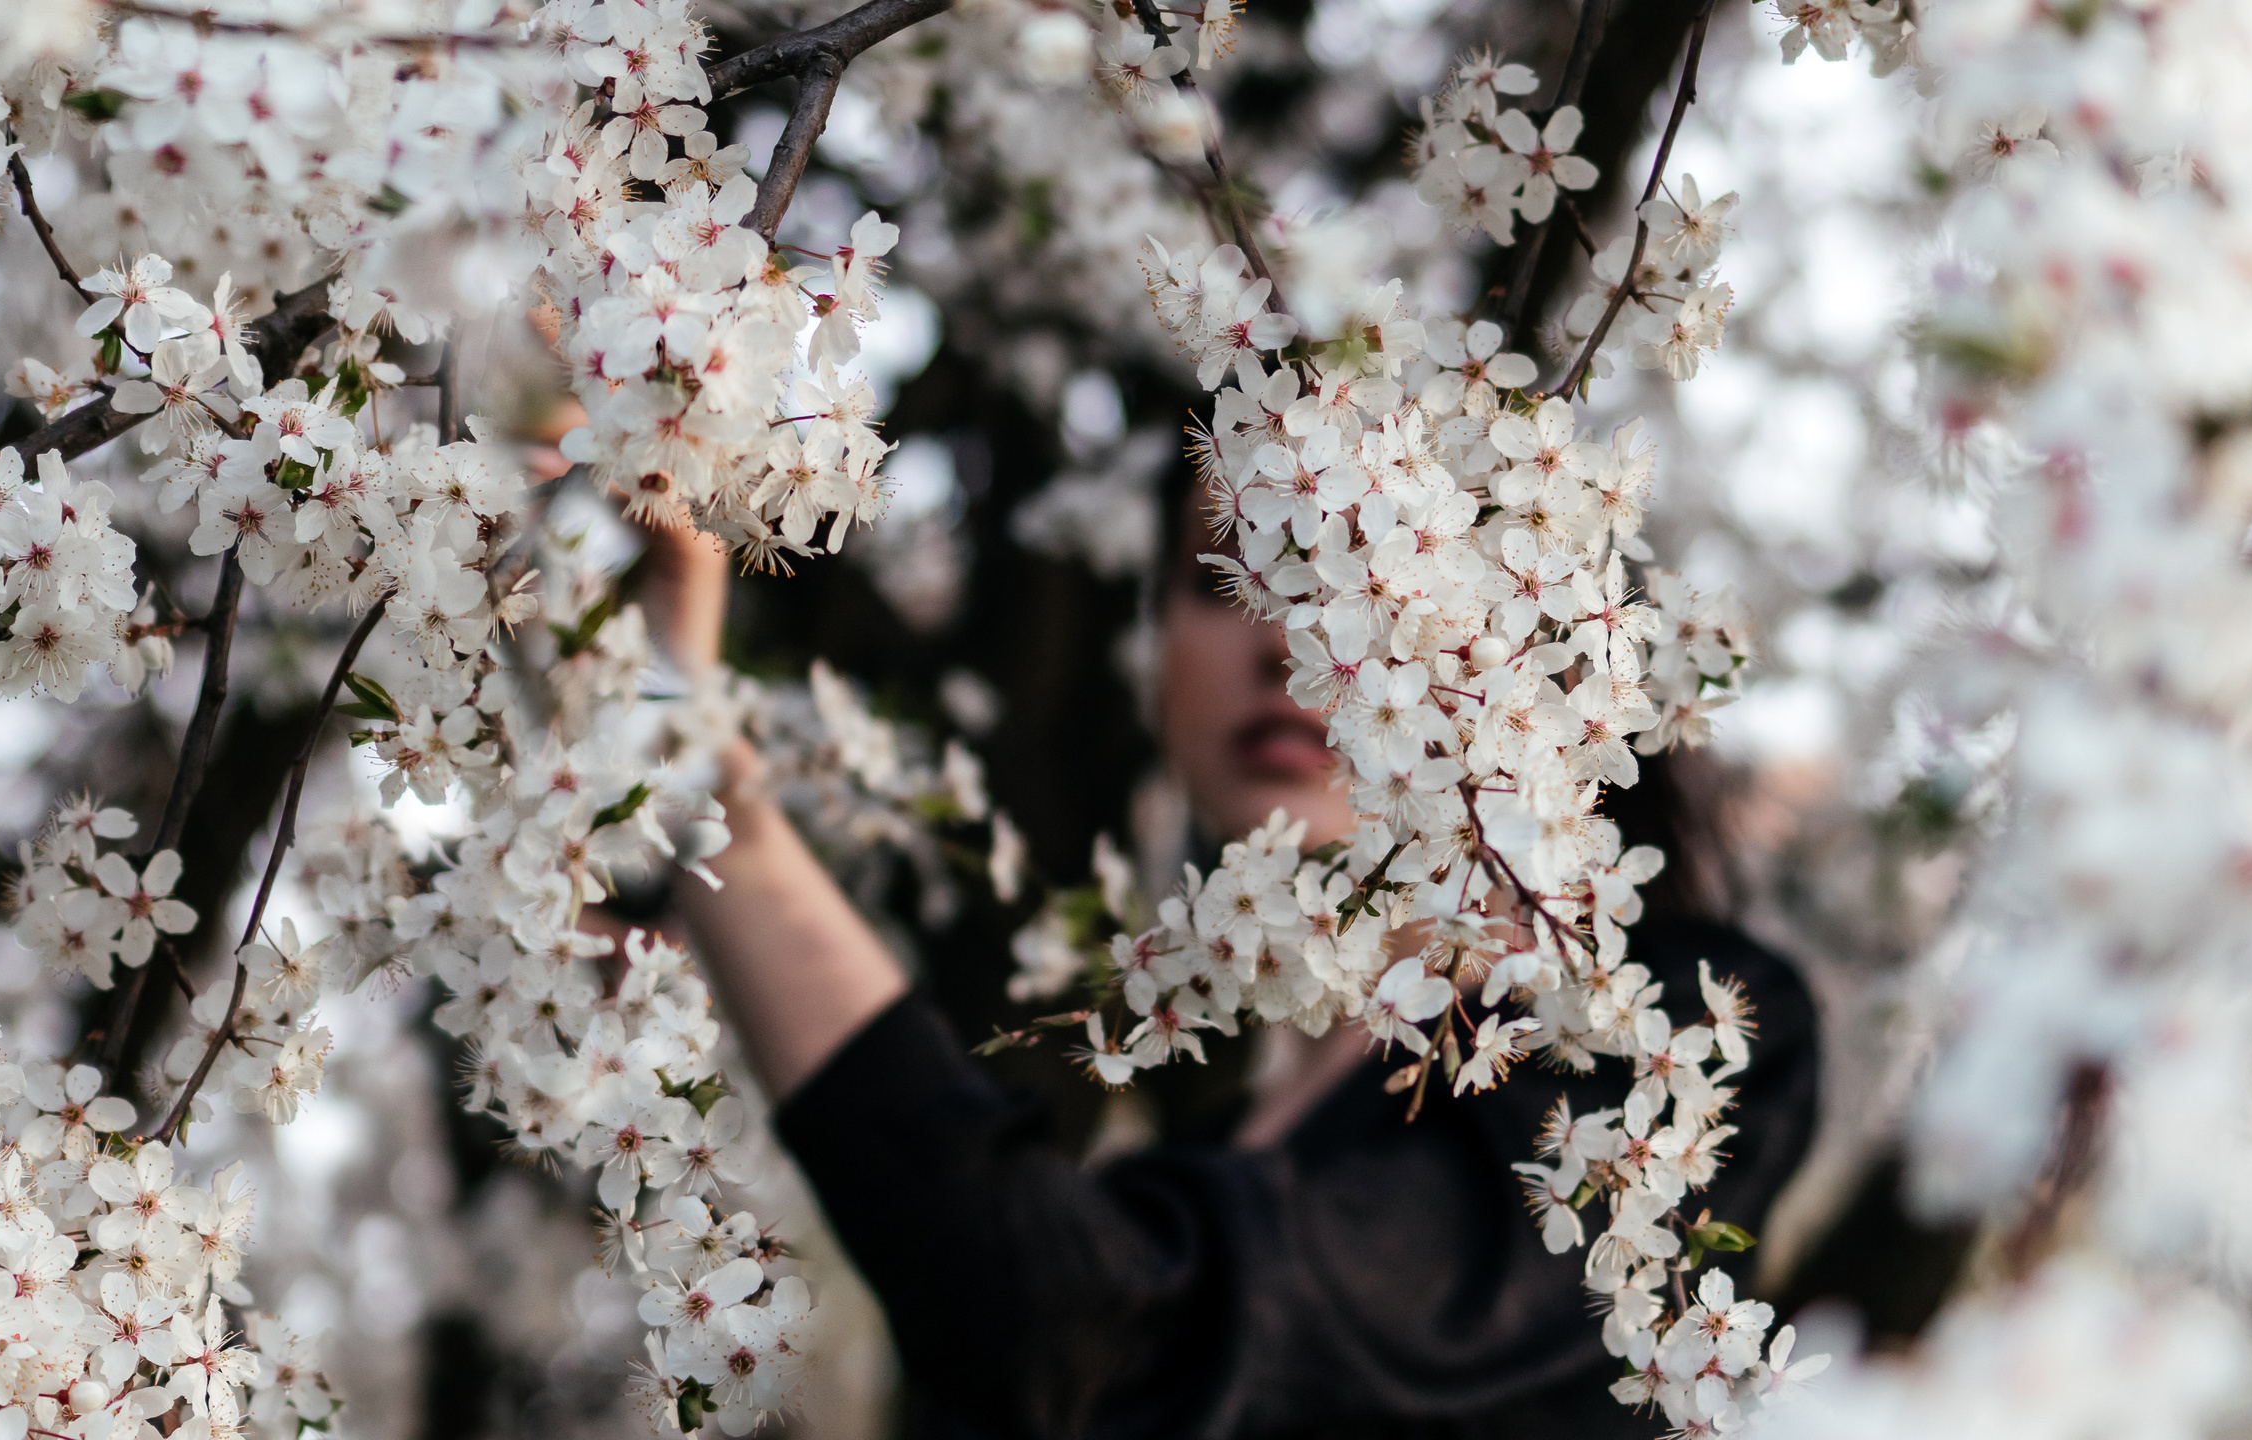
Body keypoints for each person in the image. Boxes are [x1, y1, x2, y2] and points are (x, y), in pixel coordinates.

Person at [646, 492, 1821, 1439]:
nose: (1285, 633)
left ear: (1526, 635)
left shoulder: (1675, 1045)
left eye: (1365, 564)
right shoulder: (1179, 1164)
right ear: (1153, 649)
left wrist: (718, 802)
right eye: (1223, 568)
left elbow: (1080, 1324)